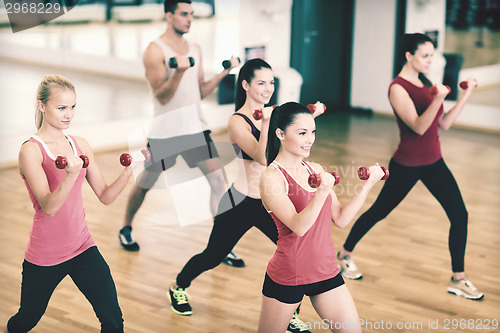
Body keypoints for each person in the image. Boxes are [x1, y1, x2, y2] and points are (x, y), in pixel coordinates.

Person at [168, 59, 323, 333]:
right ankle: (179, 285)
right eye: (261, 83)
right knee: (213, 255)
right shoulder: (237, 121)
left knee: (293, 255)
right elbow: (264, 157)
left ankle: (290, 315)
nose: (268, 89)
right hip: (240, 201)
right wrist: (266, 125)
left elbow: (292, 137)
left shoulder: (273, 115)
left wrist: (311, 116)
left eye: (271, 82)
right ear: (246, 85)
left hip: (271, 203)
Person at [337, 33, 484, 300]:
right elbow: (418, 126)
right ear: (409, 56)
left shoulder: (426, 81)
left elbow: (445, 124)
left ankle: (458, 279)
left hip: (434, 162)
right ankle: (344, 255)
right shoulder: (397, 88)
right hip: (407, 163)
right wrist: (438, 98)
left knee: (459, 215)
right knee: (380, 210)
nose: (430, 60)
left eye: (431, 55)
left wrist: (465, 95)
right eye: (425, 55)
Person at [4, 75, 136, 333]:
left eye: (73, 107)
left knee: (113, 320)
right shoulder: (31, 150)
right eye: (61, 107)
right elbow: (48, 206)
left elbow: (106, 196)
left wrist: (127, 174)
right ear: (42, 106)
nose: (69, 114)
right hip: (46, 255)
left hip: (82, 246)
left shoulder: (79, 144)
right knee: (25, 320)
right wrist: (71, 175)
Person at [118, 0, 244, 267]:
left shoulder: (195, 49)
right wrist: (178, 72)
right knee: (145, 184)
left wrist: (224, 72)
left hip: (196, 129)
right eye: (184, 14)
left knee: (219, 185)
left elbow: (201, 91)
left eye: (192, 15)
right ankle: (126, 228)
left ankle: (221, 246)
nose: (189, 19)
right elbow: (161, 96)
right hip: (166, 132)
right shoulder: (154, 51)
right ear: (169, 15)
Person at [257, 102, 385, 333]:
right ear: (280, 134)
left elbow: (341, 218)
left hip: (326, 270)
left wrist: (368, 185)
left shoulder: (313, 168)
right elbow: (299, 226)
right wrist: (323, 191)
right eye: (302, 133)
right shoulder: (271, 178)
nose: (310, 139)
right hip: (289, 274)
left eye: (313, 132)